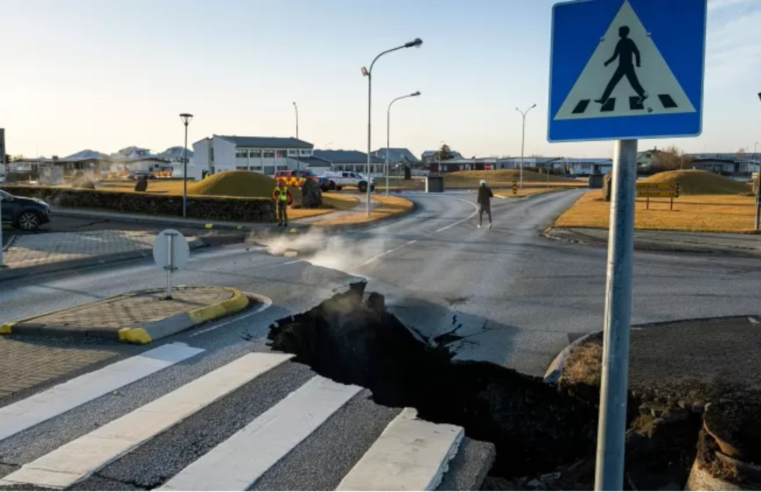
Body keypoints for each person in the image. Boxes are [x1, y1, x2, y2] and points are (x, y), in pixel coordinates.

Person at [595, 25, 648, 106]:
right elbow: (615, 56)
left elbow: (636, 52)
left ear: (624, 33)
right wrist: (607, 62)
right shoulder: (622, 42)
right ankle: (643, 94)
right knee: (630, 83)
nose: (618, 33)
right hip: (624, 66)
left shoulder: (627, 42)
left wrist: (638, 63)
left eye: (620, 32)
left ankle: (603, 99)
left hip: (626, 66)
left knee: (616, 83)